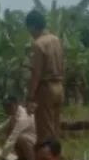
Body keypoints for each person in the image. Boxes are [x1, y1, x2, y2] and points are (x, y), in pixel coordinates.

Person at [24, 9, 66, 142]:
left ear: (32, 26)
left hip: (46, 89)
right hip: (59, 87)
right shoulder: (56, 40)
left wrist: (31, 96)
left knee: (45, 131)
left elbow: (36, 73)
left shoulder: (38, 44)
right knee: (55, 128)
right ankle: (57, 158)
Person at [0, 96, 37, 160]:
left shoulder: (23, 117)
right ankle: (21, 159)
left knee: (17, 137)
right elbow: (1, 128)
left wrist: (2, 157)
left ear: (16, 105)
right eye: (6, 107)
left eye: (9, 107)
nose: (7, 110)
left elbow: (12, 138)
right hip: (27, 138)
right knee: (11, 134)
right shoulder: (14, 115)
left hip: (35, 141)